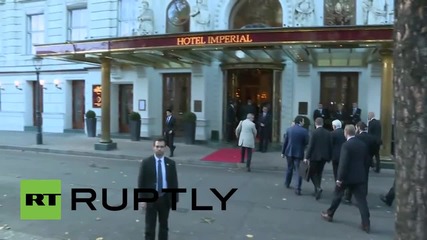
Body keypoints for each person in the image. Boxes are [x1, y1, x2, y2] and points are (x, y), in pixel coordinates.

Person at [321, 125, 371, 234]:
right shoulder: (362, 145)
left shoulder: (346, 145)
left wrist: (339, 178)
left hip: (347, 177)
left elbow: (343, 163)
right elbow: (367, 160)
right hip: (359, 176)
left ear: (346, 132)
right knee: (362, 201)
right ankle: (366, 223)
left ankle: (329, 214)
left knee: (337, 195)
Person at [138, 138, 179, 240]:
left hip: (165, 199)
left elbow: (174, 182)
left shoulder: (171, 163)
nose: (159, 149)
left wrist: (174, 199)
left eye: (161, 147)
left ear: (165, 148)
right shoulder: (146, 162)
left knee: (164, 226)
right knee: (150, 227)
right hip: (150, 199)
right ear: (153, 148)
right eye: (157, 147)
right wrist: (142, 199)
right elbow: (141, 182)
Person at [304, 117, 332, 200]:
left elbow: (311, 146)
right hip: (324, 157)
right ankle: (317, 190)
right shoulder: (328, 133)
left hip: (314, 156)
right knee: (319, 173)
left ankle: (318, 187)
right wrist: (329, 156)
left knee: (312, 173)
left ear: (315, 123)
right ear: (322, 123)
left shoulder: (314, 133)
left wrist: (306, 157)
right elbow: (330, 145)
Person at [282, 116, 309, 195]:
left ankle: (287, 183)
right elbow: (307, 141)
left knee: (289, 167)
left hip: (289, 152)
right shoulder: (304, 131)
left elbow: (285, 142)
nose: (303, 122)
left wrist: (283, 152)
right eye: (303, 121)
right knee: (299, 170)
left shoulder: (289, 129)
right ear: (300, 122)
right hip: (299, 152)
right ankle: (298, 188)